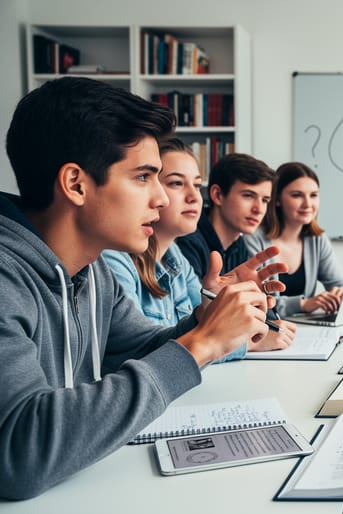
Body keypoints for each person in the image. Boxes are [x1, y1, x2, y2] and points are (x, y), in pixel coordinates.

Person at [0, 77, 278, 499]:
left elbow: (138, 345)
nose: (162, 199)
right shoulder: (6, 276)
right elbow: (20, 452)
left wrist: (206, 318)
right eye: (144, 177)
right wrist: (200, 344)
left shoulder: (92, 271)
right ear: (75, 184)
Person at [102, 138, 296, 357]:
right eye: (176, 183)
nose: (194, 197)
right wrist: (243, 343)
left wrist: (221, 307)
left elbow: (202, 331)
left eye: (196, 185)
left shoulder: (175, 257)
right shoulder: (114, 259)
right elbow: (149, 353)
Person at [245, 162, 343, 318]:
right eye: (297, 195)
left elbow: (339, 284)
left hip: (305, 329)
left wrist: (340, 294)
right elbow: (256, 300)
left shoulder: (317, 239)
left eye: (313, 195)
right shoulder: (253, 239)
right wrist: (302, 304)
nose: (308, 204)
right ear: (277, 199)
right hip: (266, 329)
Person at [176, 152, 274, 278]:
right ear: (218, 195)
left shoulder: (239, 245)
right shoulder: (188, 243)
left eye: (265, 200)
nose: (259, 209)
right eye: (248, 196)